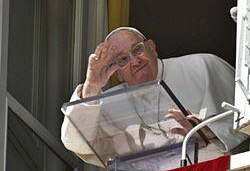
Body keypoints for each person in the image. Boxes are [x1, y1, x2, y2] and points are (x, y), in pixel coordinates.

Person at [61, 27, 248, 168]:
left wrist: (208, 131)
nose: (135, 61)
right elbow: (76, 144)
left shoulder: (204, 66)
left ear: (152, 47)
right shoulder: (105, 104)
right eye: (123, 60)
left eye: (137, 50)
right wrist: (91, 87)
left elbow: (246, 119)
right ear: (117, 73)